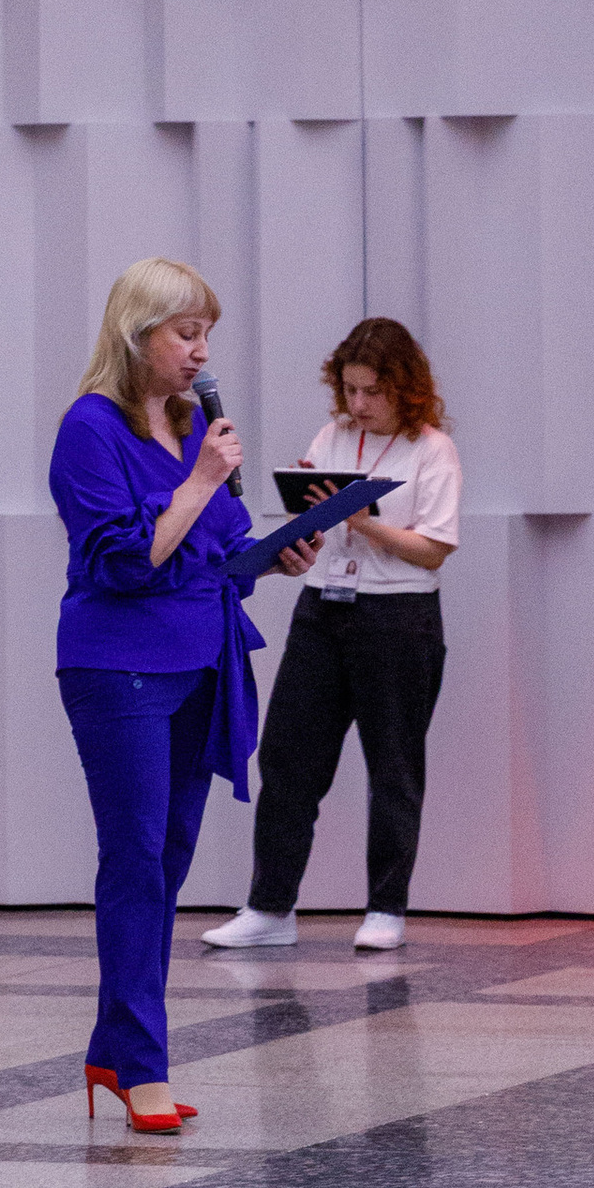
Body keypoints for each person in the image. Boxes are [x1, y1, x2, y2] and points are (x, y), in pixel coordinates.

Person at [49, 258, 317, 1133]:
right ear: (138, 337)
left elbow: (222, 550)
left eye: (207, 335)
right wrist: (200, 477)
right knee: (132, 860)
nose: (201, 353)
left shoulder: (188, 420)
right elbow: (127, 560)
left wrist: (283, 553)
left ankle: (112, 1051)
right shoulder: (90, 429)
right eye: (186, 334)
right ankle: (145, 1069)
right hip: (120, 666)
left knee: (165, 863)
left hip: (201, 661)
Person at [204, 318, 461, 962]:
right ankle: (269, 907)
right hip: (323, 606)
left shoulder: (432, 450)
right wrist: (310, 512)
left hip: (398, 617)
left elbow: (433, 550)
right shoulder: (334, 434)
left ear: (405, 389)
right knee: (288, 757)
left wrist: (364, 521)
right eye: (349, 389)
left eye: (371, 391)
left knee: (393, 765)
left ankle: (385, 908)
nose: (358, 404)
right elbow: (309, 513)